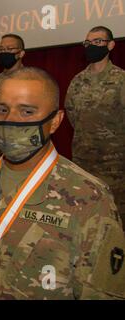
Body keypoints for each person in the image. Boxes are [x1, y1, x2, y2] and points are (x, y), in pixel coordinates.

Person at [0, 67, 125, 299]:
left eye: (26, 112)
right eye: (2, 109)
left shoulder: (89, 197)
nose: (10, 120)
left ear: (55, 121)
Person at [65, 26, 125, 228]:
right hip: (83, 162)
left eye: (98, 42)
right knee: (86, 217)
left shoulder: (121, 79)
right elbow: (73, 115)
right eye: (88, 42)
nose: (91, 46)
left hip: (115, 166)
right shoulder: (77, 81)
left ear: (111, 45)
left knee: (116, 219)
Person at [0, 34, 26, 158]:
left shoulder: (30, 81)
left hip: (20, 146)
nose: (5, 53)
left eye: (10, 49)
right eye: (2, 50)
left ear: (21, 54)